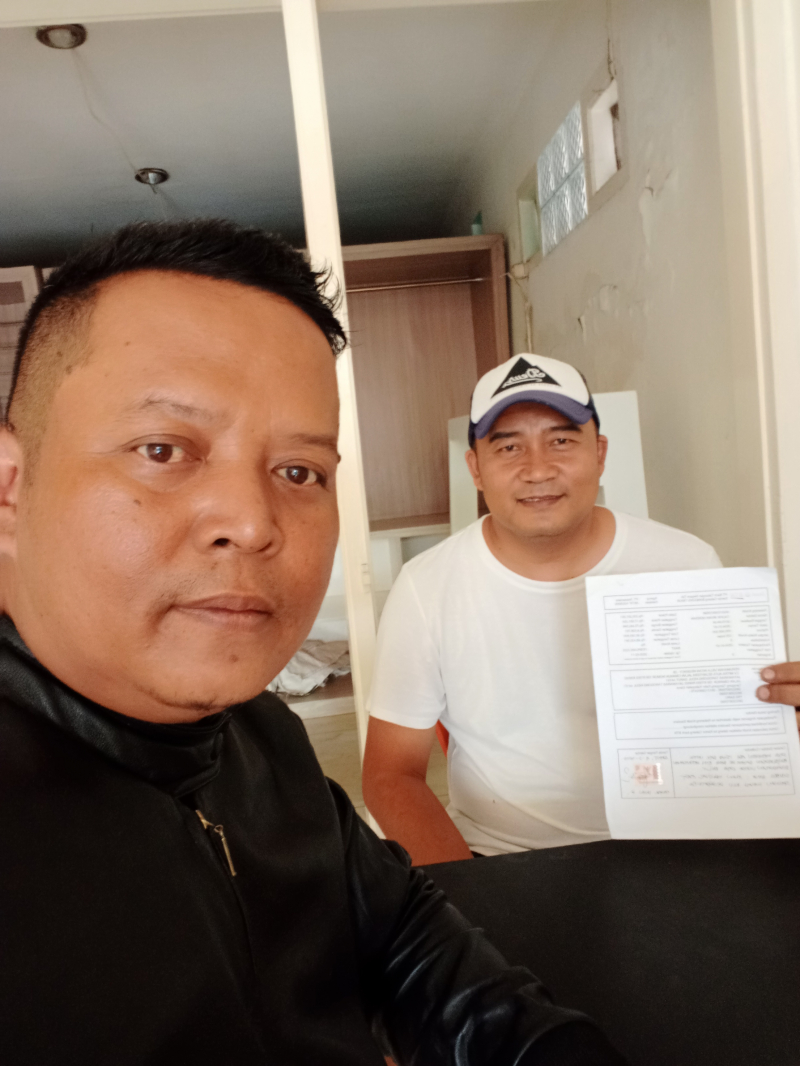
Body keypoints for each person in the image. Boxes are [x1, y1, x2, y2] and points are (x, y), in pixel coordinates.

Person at [0, 221, 626, 1065]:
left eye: (300, 472)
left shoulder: (262, 737)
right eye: (163, 449)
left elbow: (407, 935)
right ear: (10, 487)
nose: (253, 522)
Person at [363, 354, 723, 865]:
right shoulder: (426, 586)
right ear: (475, 469)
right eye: (509, 447)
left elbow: (725, 730)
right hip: (501, 856)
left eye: (561, 441)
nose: (537, 470)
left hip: (674, 848)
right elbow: (390, 774)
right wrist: (472, 894)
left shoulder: (686, 564)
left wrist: (780, 720)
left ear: (599, 453)